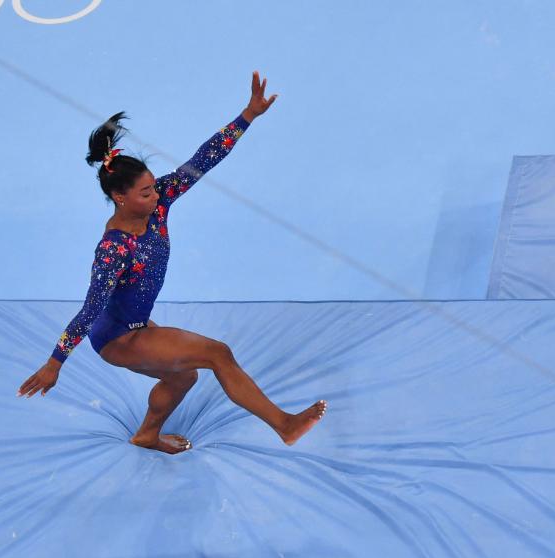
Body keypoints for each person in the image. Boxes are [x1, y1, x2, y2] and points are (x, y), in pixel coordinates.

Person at [17, 71, 326, 454]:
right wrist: (54, 363)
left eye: (153, 187)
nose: (155, 195)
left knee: (184, 378)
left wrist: (247, 115)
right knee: (217, 353)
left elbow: (203, 160)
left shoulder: (159, 201)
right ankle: (284, 424)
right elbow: (91, 308)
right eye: (145, 192)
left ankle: (146, 435)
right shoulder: (114, 249)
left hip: (135, 325)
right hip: (119, 337)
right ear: (120, 197)